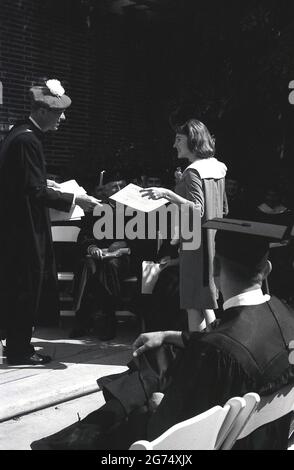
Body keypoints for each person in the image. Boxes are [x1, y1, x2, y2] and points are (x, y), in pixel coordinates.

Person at [31, 217, 294, 450]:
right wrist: (168, 334)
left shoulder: (218, 350)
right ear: (267, 269)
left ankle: (81, 436)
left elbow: (166, 428)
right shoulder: (283, 314)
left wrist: (160, 404)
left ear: (213, 268)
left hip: (197, 447)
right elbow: (229, 345)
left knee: (139, 411)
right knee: (164, 352)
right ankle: (86, 429)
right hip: (263, 433)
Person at [0, 79, 100, 365]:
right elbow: (33, 191)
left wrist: (48, 182)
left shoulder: (18, 133)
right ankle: (19, 351)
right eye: (58, 113)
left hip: (15, 227)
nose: (63, 118)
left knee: (22, 284)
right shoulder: (28, 140)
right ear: (42, 111)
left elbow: (22, 180)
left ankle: (18, 345)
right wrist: (75, 200)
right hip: (24, 229)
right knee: (26, 286)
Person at [141, 119, 228, 331]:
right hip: (212, 240)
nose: (174, 144)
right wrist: (182, 184)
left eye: (179, 139)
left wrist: (167, 192)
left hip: (195, 242)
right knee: (204, 300)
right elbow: (223, 207)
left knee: (193, 302)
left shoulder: (193, 171)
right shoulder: (217, 168)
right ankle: (204, 347)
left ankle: (198, 350)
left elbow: (196, 208)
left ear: (193, 140)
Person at [70, 175, 132, 341]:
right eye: (114, 186)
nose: (119, 190)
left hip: (123, 256)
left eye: (122, 185)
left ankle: (108, 319)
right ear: (104, 190)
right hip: (97, 255)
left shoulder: (136, 209)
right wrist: (93, 247)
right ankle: (82, 318)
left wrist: (121, 246)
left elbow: (143, 240)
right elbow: (84, 236)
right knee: (87, 265)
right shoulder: (96, 209)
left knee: (110, 265)